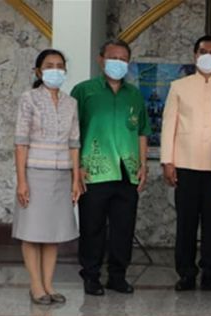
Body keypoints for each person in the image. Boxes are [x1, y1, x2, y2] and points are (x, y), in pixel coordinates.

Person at [160, 35, 211, 291]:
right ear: (195, 55)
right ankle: (185, 273)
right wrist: (167, 161)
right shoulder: (179, 86)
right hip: (185, 164)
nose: (208, 55)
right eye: (203, 50)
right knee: (186, 222)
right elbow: (168, 125)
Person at [71, 39, 151, 296]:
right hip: (93, 172)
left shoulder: (135, 94)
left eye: (123, 59)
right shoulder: (84, 91)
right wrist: (77, 169)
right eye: (112, 57)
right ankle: (91, 276)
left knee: (123, 228)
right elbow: (72, 134)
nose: (117, 63)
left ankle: (117, 276)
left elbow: (142, 132)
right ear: (100, 59)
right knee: (92, 227)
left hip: (127, 172)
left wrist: (143, 166)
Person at [12, 49, 82, 305]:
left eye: (60, 65)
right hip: (34, 173)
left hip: (61, 175)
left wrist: (75, 178)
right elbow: (20, 142)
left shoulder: (70, 102)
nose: (56, 70)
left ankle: (49, 284)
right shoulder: (28, 99)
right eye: (50, 65)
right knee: (32, 232)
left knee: (53, 233)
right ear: (39, 71)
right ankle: (36, 286)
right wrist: (22, 180)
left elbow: (75, 143)